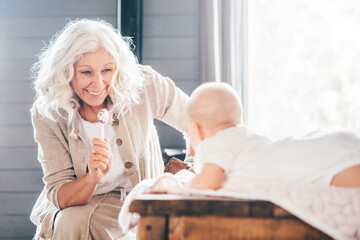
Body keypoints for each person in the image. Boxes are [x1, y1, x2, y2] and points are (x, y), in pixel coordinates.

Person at [30, 19, 189, 239]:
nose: (98, 84)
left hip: (138, 198)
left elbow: (198, 121)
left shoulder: (144, 84)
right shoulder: (48, 113)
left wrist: (191, 172)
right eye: (86, 72)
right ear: (66, 72)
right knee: (71, 223)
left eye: (107, 70)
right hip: (80, 202)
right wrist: (92, 177)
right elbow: (61, 195)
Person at [185, 82, 360, 190]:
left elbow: (208, 182)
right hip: (328, 144)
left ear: (198, 130)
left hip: (325, 159)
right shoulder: (242, 137)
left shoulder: (216, 142)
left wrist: (182, 186)